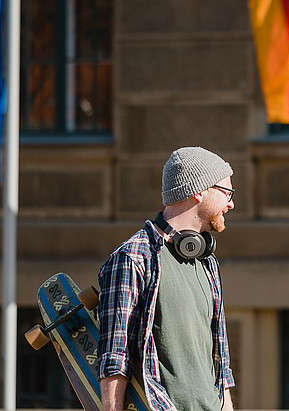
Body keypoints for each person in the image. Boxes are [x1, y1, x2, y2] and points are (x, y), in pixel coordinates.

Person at [97, 146, 237, 411]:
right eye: (226, 193)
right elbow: (115, 357)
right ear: (199, 191)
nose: (231, 203)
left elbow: (220, 358)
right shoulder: (134, 257)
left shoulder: (206, 261)